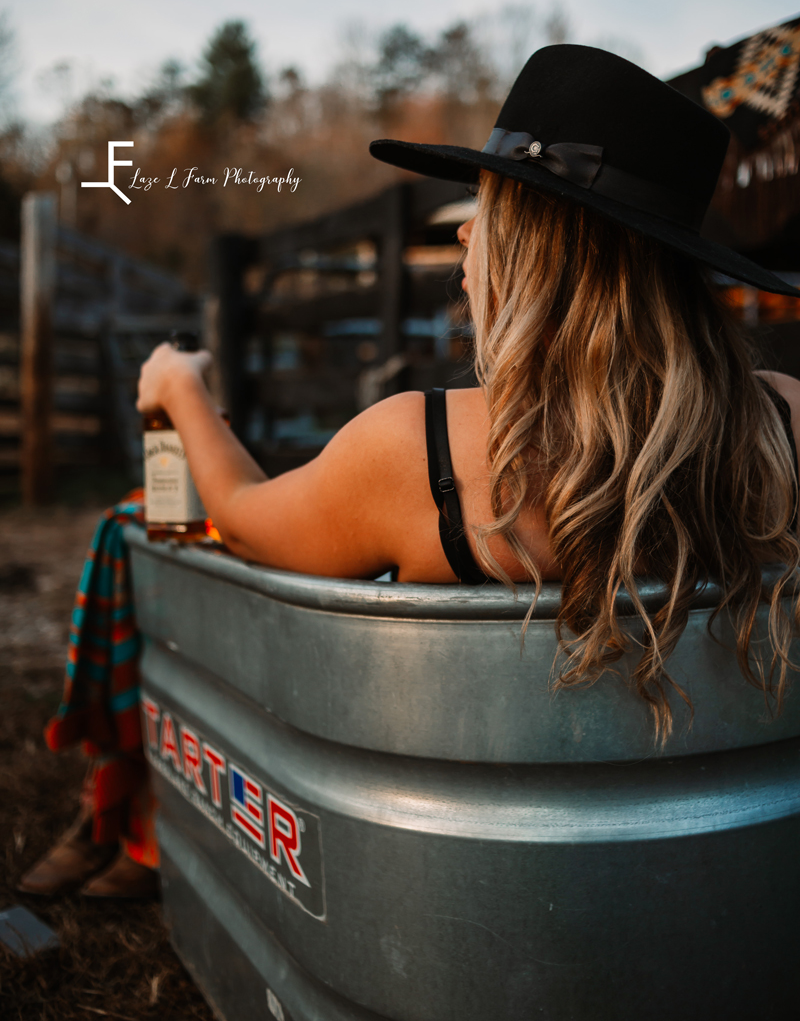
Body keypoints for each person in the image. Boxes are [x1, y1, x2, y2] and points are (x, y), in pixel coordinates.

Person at [19, 44, 800, 897]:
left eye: (489, 209)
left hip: (476, 899)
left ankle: (131, 820)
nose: (464, 230)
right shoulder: (788, 420)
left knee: (137, 517)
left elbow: (243, 516)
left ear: (538, 247)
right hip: (734, 889)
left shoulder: (420, 448)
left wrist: (182, 387)